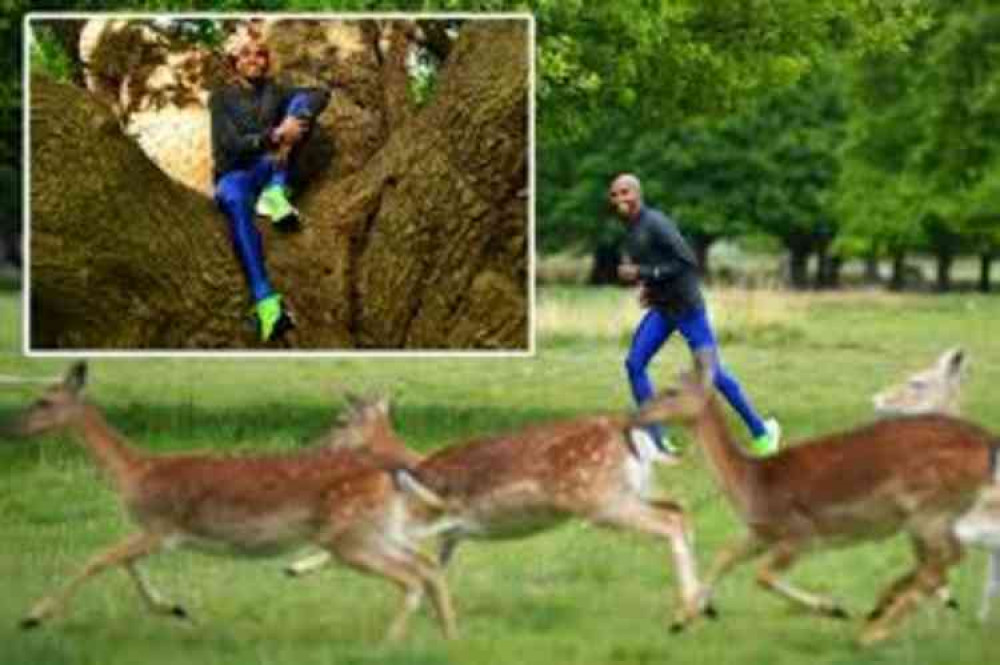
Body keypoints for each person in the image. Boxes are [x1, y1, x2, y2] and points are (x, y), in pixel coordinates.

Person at [609, 173, 780, 460]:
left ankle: (762, 433)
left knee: (714, 375)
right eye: (615, 195)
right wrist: (649, 289)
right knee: (635, 363)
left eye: (625, 192)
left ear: (638, 193)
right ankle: (658, 442)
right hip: (662, 310)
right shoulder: (631, 228)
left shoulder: (656, 223)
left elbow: (686, 261)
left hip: (687, 310)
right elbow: (658, 264)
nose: (620, 199)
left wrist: (643, 274)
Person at [210, 27, 330, 342]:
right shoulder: (221, 98)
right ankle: (266, 303)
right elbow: (229, 144)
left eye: (261, 54)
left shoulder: (275, 92)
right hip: (234, 175)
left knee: (301, 101)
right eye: (247, 54)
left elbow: (320, 95)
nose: (255, 60)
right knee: (235, 201)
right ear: (234, 61)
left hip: (269, 167)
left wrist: (294, 123)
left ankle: (276, 193)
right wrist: (276, 136)